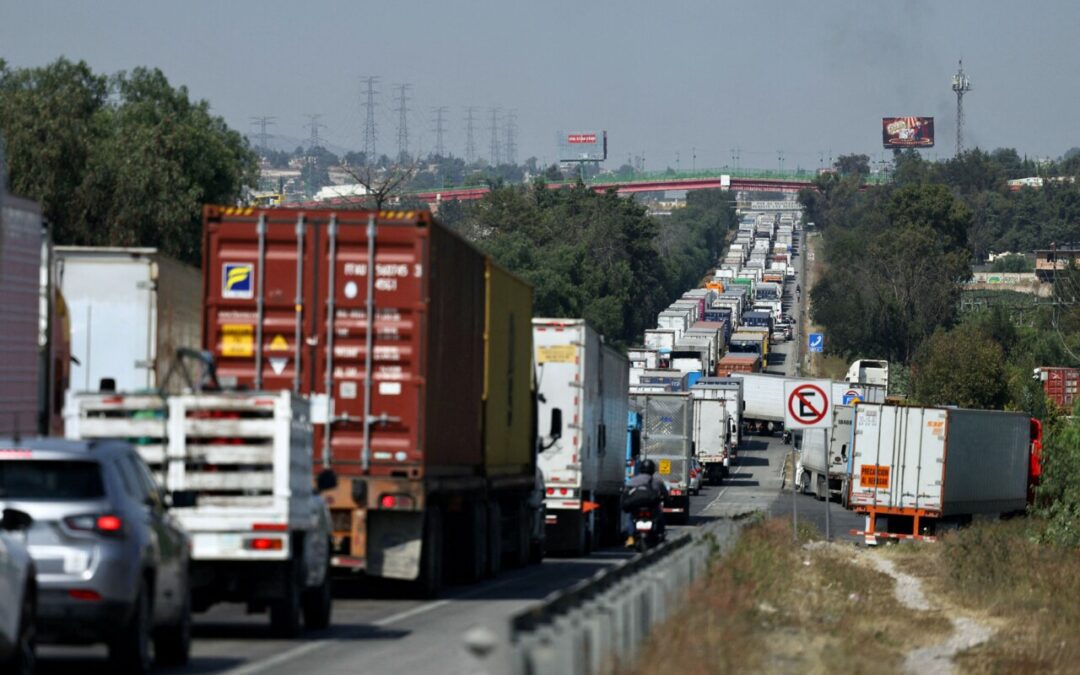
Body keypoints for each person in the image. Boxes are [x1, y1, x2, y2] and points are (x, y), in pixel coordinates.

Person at [625, 459, 669, 539]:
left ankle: (630, 536)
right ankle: (660, 534)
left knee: (631, 517)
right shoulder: (657, 481)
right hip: (651, 507)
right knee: (660, 517)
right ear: (652, 470)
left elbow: (626, 492)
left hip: (636, 506)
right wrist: (667, 500)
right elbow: (665, 494)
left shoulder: (633, 480)